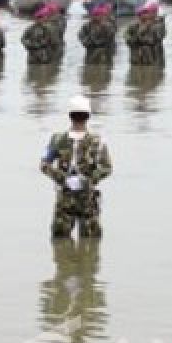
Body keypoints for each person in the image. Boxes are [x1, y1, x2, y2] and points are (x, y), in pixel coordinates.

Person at [39, 96, 113, 239]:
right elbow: (106, 168)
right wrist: (84, 180)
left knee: (60, 244)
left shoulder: (57, 139)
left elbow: (44, 165)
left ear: (70, 115)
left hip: (68, 198)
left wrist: (63, 179)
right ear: (88, 116)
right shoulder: (98, 141)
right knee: (90, 248)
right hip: (86, 199)